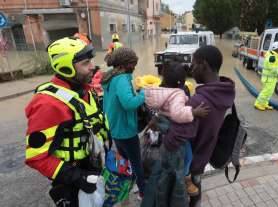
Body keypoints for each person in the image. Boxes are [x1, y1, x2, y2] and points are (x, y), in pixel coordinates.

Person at [25, 37, 109, 207]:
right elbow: (36, 157)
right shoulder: (48, 104)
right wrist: (77, 177)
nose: (93, 66)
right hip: (71, 181)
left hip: (92, 170)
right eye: (86, 63)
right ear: (66, 68)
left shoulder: (84, 89)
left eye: (91, 61)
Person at [162, 45, 236, 207]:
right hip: (203, 157)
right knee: (196, 191)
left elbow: (174, 140)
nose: (192, 70)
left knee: (182, 197)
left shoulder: (198, 103)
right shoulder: (223, 92)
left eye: (194, 65)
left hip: (188, 164)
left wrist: (161, 129)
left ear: (204, 65)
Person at [140, 60, 210, 196]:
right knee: (188, 155)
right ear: (180, 82)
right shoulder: (177, 94)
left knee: (165, 160)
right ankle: (185, 178)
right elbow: (177, 113)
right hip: (174, 129)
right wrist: (194, 112)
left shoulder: (159, 90)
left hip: (162, 130)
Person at [101, 47, 145, 199]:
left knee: (124, 161)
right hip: (126, 130)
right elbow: (129, 103)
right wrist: (143, 93)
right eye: (133, 63)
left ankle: (125, 186)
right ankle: (143, 192)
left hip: (115, 128)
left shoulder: (110, 78)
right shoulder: (121, 79)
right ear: (125, 64)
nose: (134, 67)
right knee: (137, 163)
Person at [254, 41, 278, 111]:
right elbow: (273, 70)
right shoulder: (272, 58)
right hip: (268, 79)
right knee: (265, 93)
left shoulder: (275, 56)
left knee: (269, 93)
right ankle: (258, 104)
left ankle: (264, 104)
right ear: (277, 49)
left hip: (271, 79)